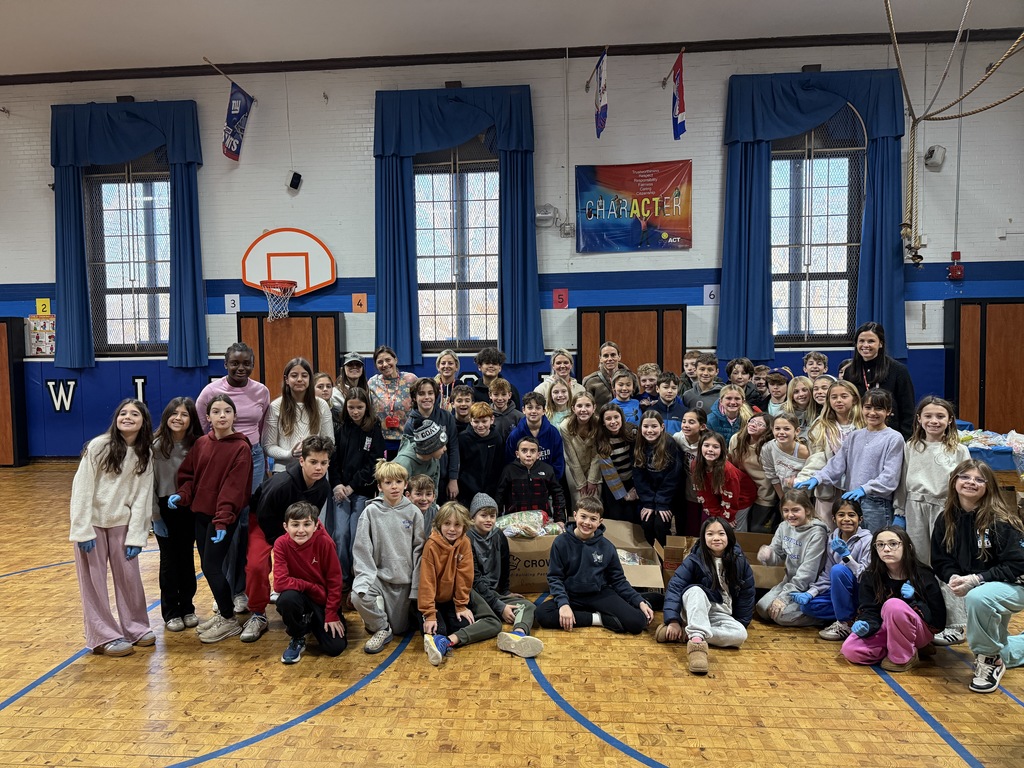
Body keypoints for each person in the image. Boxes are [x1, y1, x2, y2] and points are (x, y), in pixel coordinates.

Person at [70, 398, 156, 657]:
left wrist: (137, 535)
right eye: (123, 413)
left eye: (134, 414)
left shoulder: (145, 453)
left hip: (122, 524)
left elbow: (142, 496)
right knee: (94, 582)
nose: (127, 417)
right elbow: (81, 489)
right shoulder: (98, 446)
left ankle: (135, 627)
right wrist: (82, 529)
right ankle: (103, 636)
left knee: (130, 579)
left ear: (143, 422)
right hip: (93, 525)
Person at [931, 460, 1024, 693]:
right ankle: (1001, 654)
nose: (971, 482)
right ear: (954, 481)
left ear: (988, 486)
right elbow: (941, 559)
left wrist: (976, 580)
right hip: (987, 586)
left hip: (1016, 584)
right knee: (1002, 649)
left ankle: (989, 661)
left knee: (979, 598)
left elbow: (1018, 564)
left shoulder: (1001, 520)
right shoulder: (946, 519)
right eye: (965, 477)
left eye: (979, 479)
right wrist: (953, 576)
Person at [170, 394, 253, 643]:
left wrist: (223, 519)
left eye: (227, 411)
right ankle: (224, 614)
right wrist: (183, 495)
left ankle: (228, 619)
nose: (222, 415)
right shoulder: (201, 443)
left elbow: (233, 488)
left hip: (222, 520)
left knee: (212, 567)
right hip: (201, 515)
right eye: (216, 411)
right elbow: (190, 475)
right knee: (208, 567)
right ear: (208, 417)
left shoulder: (241, 448)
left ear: (235, 416)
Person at [196, 342, 270, 613]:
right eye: (235, 363)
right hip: (222, 459)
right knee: (226, 522)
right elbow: (203, 423)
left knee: (245, 522)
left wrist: (263, 459)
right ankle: (224, 589)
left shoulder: (261, 391)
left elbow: (261, 426)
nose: (241, 368)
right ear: (225, 364)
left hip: (253, 458)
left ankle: (241, 590)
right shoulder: (211, 392)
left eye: (246, 363)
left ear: (253, 364)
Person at [242, 435, 333, 644]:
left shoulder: (323, 486)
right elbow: (264, 514)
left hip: (298, 526)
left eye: (323, 463)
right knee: (256, 566)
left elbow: (312, 517)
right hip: (265, 523)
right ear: (301, 461)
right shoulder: (281, 484)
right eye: (313, 462)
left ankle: (314, 606)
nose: (318, 468)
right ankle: (258, 614)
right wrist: (284, 546)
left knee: (327, 547)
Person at [536, 496, 655, 634]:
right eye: (583, 516)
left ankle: (643, 599)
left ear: (600, 522)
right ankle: (600, 619)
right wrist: (563, 604)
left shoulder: (607, 547)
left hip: (600, 594)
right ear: (575, 515)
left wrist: (639, 601)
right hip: (572, 595)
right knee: (542, 614)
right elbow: (555, 577)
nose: (587, 522)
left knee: (638, 622)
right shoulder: (560, 542)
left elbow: (618, 580)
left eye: (593, 519)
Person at [656, 518, 756, 674]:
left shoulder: (740, 561)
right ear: (703, 537)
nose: (716, 538)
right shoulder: (694, 559)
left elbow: (747, 595)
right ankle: (697, 645)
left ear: (729, 536)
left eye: (721, 533)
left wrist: (740, 622)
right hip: (695, 607)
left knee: (740, 635)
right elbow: (675, 587)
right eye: (710, 534)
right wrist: (673, 620)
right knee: (696, 590)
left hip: (720, 611)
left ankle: (686, 634)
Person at [796, 389, 904, 532]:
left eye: (879, 408)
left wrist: (865, 488)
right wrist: (818, 478)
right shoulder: (854, 436)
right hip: (852, 502)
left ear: (888, 411)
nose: (872, 413)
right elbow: (837, 464)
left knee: (875, 543)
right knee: (852, 542)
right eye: (868, 407)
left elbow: (890, 476)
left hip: (876, 504)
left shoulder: (894, 438)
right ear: (862, 408)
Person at [841, 527, 945, 673]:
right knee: (850, 650)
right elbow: (870, 610)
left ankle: (903, 658)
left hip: (920, 631)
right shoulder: (870, 576)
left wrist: (914, 601)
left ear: (907, 547)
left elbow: (938, 620)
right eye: (880, 545)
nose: (886, 549)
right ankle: (905, 648)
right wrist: (866, 624)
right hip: (886, 628)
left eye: (893, 544)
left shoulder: (923, 574)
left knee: (893, 605)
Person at [351, 460, 426, 654]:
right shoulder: (370, 512)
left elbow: (419, 551)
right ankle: (382, 627)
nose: (394, 487)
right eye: (388, 482)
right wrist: (365, 577)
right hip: (378, 577)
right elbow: (362, 549)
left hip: (403, 580)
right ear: (379, 486)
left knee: (400, 629)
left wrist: (416, 586)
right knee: (357, 596)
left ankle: (384, 620)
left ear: (405, 484)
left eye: (398, 482)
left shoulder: (414, 513)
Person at [418, 501, 502, 666]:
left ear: (464, 526)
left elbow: (464, 577)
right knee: (437, 630)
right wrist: (429, 614)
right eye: (447, 524)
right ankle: (431, 631)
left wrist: (461, 605)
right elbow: (427, 582)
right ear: (439, 524)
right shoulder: (431, 546)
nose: (452, 529)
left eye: (457, 525)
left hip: (450, 599)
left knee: (463, 625)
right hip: (432, 601)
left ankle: (444, 642)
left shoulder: (464, 543)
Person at [467, 493, 544, 658]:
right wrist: (500, 606)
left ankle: (518, 635)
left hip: (494, 593)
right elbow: (474, 580)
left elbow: (505, 566)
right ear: (473, 517)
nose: (489, 520)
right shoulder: (467, 539)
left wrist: (505, 592)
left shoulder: (498, 535)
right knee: (493, 621)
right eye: (483, 515)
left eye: (492, 516)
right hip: (476, 593)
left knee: (528, 606)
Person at [151, 397, 203, 633]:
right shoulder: (155, 446)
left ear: (191, 419)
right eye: (174, 413)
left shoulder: (198, 445)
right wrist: (155, 517)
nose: (178, 418)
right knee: (169, 561)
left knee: (186, 559)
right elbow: (149, 485)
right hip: (165, 508)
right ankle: (171, 611)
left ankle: (188, 607)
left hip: (188, 507)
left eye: (184, 414)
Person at [273, 501, 347, 664]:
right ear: (286, 527)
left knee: (335, 648)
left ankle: (313, 620)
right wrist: (312, 587)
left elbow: (335, 582)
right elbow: (279, 583)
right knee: (286, 600)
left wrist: (331, 613)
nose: (301, 530)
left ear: (315, 526)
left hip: (323, 600)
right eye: (295, 525)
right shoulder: (280, 544)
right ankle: (298, 636)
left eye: (306, 524)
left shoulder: (325, 543)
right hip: (302, 595)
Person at [328, 387, 385, 600]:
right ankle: (342, 576)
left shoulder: (374, 429)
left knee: (356, 535)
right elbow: (333, 462)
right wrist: (337, 485)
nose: (355, 411)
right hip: (340, 491)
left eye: (359, 407)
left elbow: (373, 463)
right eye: (351, 407)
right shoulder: (340, 428)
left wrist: (352, 486)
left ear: (366, 407)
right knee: (340, 534)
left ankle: (357, 576)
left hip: (361, 491)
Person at [791, 500, 873, 640]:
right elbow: (827, 575)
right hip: (840, 594)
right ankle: (854, 616)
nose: (846, 519)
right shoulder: (832, 539)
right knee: (807, 607)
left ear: (860, 519)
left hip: (860, 592)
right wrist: (811, 593)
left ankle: (845, 622)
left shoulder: (868, 540)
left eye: (851, 515)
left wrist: (846, 557)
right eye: (841, 515)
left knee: (838, 570)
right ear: (834, 519)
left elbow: (864, 576)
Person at [755, 489, 828, 626]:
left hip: (809, 587)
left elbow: (808, 572)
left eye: (795, 510)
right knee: (762, 608)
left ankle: (823, 617)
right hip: (789, 582)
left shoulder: (817, 533)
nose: (790, 515)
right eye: (786, 510)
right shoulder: (784, 526)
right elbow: (777, 555)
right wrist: (768, 555)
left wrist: (784, 598)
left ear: (807, 510)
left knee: (780, 615)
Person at [798, 379, 865, 529]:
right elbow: (817, 458)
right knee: (826, 530)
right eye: (834, 397)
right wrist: (806, 477)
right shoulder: (821, 425)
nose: (838, 400)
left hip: (858, 488)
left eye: (844, 396)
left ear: (854, 399)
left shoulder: (865, 424)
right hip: (828, 489)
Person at [842, 322, 915, 438]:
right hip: (859, 432)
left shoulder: (898, 370)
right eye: (861, 341)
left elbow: (908, 409)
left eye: (871, 341)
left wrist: (905, 438)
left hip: (891, 434)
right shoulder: (850, 371)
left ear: (880, 343)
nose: (865, 345)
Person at [262, 357, 333, 475]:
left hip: (315, 470)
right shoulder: (275, 406)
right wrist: (289, 454)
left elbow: (329, 441)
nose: (299, 379)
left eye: (304, 376)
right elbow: (268, 446)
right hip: (284, 471)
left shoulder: (322, 405)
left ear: (310, 379)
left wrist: (313, 455)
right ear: (286, 379)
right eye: (294, 375)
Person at [403, 377, 460, 501]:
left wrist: (453, 479)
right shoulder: (410, 424)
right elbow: (410, 456)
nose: (427, 397)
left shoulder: (446, 417)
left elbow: (453, 448)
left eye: (430, 393)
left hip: (444, 479)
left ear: (435, 395)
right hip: (420, 482)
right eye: (421, 394)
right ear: (414, 398)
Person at [632, 410, 681, 546]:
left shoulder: (670, 444)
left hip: (667, 496)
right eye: (646, 426)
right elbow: (639, 477)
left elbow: (673, 477)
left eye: (654, 426)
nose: (650, 430)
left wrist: (662, 503)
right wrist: (648, 503)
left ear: (662, 427)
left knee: (661, 524)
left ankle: (664, 554)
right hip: (648, 496)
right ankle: (651, 554)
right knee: (646, 523)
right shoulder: (638, 445)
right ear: (640, 427)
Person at [692, 431, 757, 531]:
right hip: (720, 495)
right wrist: (716, 514)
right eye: (706, 445)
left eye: (715, 447)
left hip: (742, 497)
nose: (710, 449)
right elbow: (704, 492)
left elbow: (732, 498)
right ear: (700, 447)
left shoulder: (727, 471)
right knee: (717, 524)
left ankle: (738, 540)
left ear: (722, 450)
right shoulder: (695, 464)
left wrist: (728, 517)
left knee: (733, 527)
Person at [496, 436, 566, 525]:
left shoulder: (547, 470)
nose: (528, 454)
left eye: (533, 451)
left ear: (538, 455)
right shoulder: (508, 471)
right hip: (514, 521)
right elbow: (499, 496)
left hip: (542, 521)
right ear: (517, 454)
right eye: (524, 450)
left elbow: (557, 494)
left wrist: (560, 519)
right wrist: (497, 518)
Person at [728, 412, 777, 534]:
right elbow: (731, 465)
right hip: (742, 491)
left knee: (756, 530)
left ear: (768, 430)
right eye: (752, 421)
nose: (754, 425)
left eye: (760, 424)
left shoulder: (770, 447)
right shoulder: (737, 439)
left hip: (763, 493)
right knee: (737, 527)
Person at [367, 345, 419, 456]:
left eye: (388, 360)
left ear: (395, 360)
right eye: (380, 362)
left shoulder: (410, 379)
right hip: (381, 442)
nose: (385, 364)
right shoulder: (372, 383)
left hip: (408, 441)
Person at [594, 403, 639, 522]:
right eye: (608, 419)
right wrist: (624, 495)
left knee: (633, 516)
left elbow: (639, 461)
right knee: (616, 516)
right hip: (613, 484)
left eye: (616, 417)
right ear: (603, 422)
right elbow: (609, 472)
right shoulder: (601, 440)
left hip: (632, 481)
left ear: (622, 418)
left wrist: (636, 487)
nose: (613, 422)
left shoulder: (632, 432)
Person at [505, 392, 565, 479]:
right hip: (521, 482)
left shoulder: (553, 433)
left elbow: (558, 461)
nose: (533, 411)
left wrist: (552, 481)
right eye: (530, 408)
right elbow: (510, 463)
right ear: (523, 410)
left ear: (544, 411)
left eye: (538, 408)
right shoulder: (515, 435)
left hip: (547, 482)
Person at [456, 402, 504, 507]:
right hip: (466, 491)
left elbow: (498, 467)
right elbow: (459, 466)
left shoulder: (497, 438)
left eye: (484, 421)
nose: (480, 425)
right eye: (476, 422)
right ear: (470, 420)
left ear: (492, 420)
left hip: (489, 490)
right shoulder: (462, 439)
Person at [559, 392, 601, 511]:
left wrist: (592, 479)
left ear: (594, 408)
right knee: (579, 502)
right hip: (574, 468)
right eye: (579, 406)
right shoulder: (565, 426)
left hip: (594, 467)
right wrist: (581, 483)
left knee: (595, 502)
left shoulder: (598, 424)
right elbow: (571, 456)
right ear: (573, 408)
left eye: (587, 405)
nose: (583, 410)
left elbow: (597, 454)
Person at [672, 408, 709, 536]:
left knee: (705, 526)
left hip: (707, 489)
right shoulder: (678, 438)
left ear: (702, 426)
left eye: (691, 422)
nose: (686, 425)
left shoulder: (708, 443)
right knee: (690, 527)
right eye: (684, 421)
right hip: (688, 488)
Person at [760, 411, 809, 501]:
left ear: (797, 431)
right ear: (772, 430)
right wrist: (783, 499)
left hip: (805, 496)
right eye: (777, 429)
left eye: (786, 429)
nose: (781, 432)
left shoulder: (804, 451)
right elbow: (772, 476)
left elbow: (811, 473)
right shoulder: (768, 448)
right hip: (784, 495)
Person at [394, 419, 448, 494]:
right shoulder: (404, 463)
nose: (445, 449)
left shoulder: (434, 458)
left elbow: (434, 490)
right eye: (441, 446)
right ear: (430, 448)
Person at [583, 341, 629, 409]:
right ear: (600, 359)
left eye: (613, 355)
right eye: (606, 356)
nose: (610, 359)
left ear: (619, 356)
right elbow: (587, 406)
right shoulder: (591, 381)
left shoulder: (631, 378)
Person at [488, 378, 523, 443]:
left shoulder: (520, 417)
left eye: (504, 394)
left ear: (509, 395)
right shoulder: (486, 415)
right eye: (496, 394)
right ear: (490, 395)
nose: (500, 398)